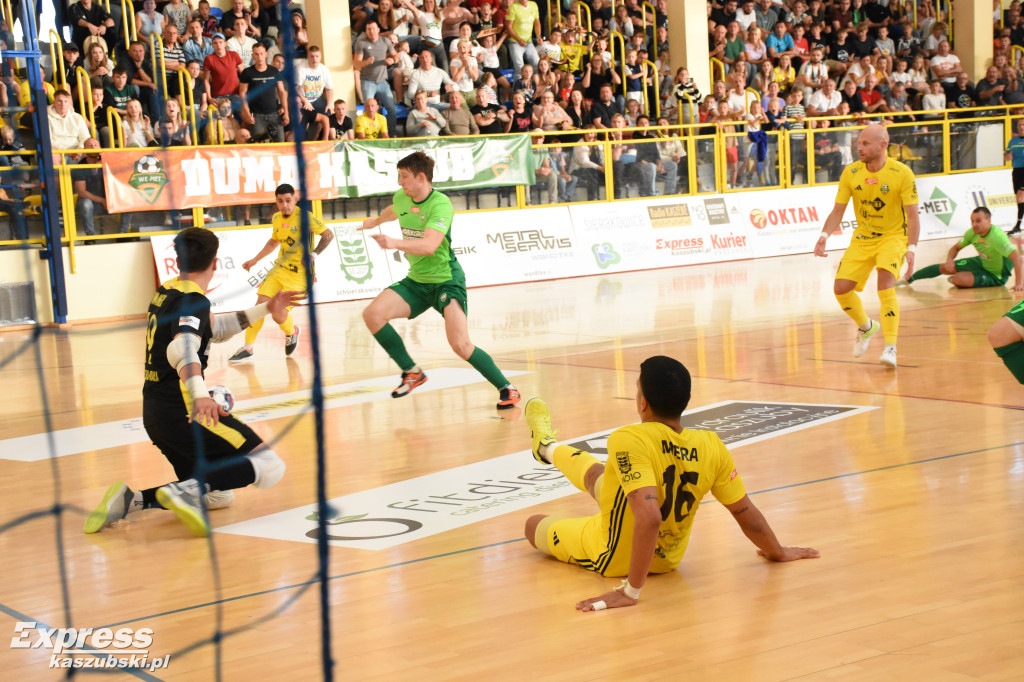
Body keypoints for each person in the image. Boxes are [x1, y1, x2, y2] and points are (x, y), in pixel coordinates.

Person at [521, 357, 819, 611]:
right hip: (668, 559)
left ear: (642, 403)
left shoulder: (629, 438)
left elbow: (649, 518)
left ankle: (546, 446)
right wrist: (776, 551)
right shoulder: (711, 444)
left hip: (614, 555)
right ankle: (546, 446)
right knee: (597, 475)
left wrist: (630, 592)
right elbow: (745, 513)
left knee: (533, 525)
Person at [84, 228, 301, 537]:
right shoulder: (194, 302)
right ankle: (186, 489)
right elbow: (182, 346)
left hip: (155, 416)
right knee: (269, 466)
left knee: (217, 496)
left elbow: (214, 329)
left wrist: (266, 308)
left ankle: (130, 501)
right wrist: (200, 395)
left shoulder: (166, 292)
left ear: (177, 261)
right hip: (185, 412)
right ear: (215, 263)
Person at [358, 151, 521, 409]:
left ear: (421, 177)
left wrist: (393, 243)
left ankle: (507, 388)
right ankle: (412, 372)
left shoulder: (440, 204)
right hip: (417, 281)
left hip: (446, 280)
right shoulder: (403, 197)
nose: (400, 182)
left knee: (460, 345)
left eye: (404, 177)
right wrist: (376, 221)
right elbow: (395, 209)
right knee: (372, 314)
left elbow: (430, 245)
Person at [813, 123, 920, 368]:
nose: (858, 147)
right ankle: (866, 327)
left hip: (893, 237)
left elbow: (913, 215)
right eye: (858, 142)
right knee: (840, 289)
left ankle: (890, 347)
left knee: (885, 284)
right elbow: (838, 210)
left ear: (883, 145)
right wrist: (824, 236)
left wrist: (911, 249)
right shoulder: (851, 173)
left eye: (865, 143)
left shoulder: (901, 173)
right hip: (863, 238)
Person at [229, 184, 334, 362]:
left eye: (288, 200)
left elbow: (328, 235)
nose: (284, 205)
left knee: (278, 314)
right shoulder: (277, 218)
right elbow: (273, 242)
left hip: (299, 276)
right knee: (258, 307)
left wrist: (313, 254)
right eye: (280, 201)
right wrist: (255, 260)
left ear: (295, 200)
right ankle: (248, 348)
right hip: (279, 271)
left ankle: (292, 332)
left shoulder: (305, 218)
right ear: (276, 202)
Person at [904, 207, 1022, 291]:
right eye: (972, 221)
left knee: (958, 279)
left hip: (996, 275)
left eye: (978, 221)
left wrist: (1019, 284)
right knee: (945, 267)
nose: (974, 224)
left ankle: (966, 277)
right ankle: (909, 279)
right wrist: (949, 260)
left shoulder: (997, 237)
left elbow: (1017, 257)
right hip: (982, 261)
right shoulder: (972, 233)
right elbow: (955, 248)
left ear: (989, 221)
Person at [1005, 118, 1024, 236]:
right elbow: (1006, 156)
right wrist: (1008, 156)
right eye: (1020, 125)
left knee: (1020, 197)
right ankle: (1018, 225)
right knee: (1019, 199)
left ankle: (1017, 226)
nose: (1022, 127)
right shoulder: (1013, 141)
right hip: (1016, 171)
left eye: (1023, 125)